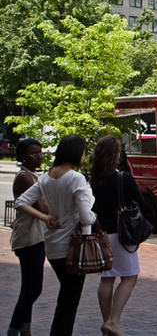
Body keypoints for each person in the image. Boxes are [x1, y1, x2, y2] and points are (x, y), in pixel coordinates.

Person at [15, 135, 96, 336]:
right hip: (74, 247)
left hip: (52, 246)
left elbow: (20, 202)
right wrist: (94, 216)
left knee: (66, 296)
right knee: (70, 299)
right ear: (76, 153)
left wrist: (45, 217)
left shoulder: (45, 178)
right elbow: (86, 217)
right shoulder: (76, 178)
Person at [90, 135, 146, 336]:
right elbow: (140, 200)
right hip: (122, 234)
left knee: (107, 278)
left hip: (102, 232)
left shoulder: (95, 177)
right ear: (115, 154)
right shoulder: (123, 177)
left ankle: (107, 324)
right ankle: (114, 321)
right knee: (130, 277)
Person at [7, 138, 46, 336]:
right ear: (22, 156)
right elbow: (42, 206)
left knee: (29, 288)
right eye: (33, 153)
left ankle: (25, 330)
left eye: (40, 152)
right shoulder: (25, 177)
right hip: (28, 237)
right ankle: (14, 329)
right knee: (33, 289)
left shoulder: (34, 175)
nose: (38, 156)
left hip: (36, 236)